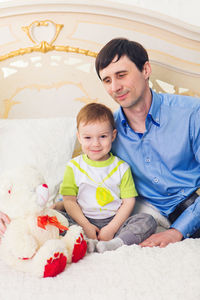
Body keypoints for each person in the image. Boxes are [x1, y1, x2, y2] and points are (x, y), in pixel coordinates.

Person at [95, 37, 200, 248]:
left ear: (145, 70)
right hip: (146, 218)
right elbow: (87, 173)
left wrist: (177, 231)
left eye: (121, 75)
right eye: (107, 80)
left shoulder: (191, 113)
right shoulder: (107, 131)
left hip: (193, 208)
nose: (115, 87)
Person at [57, 102, 156, 253]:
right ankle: (83, 240)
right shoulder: (73, 167)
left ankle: (116, 243)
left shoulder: (121, 168)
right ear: (79, 137)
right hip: (82, 219)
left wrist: (111, 229)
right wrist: (85, 226)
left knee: (148, 220)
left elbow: (129, 202)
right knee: (55, 217)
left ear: (113, 136)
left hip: (114, 221)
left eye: (102, 136)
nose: (96, 143)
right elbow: (69, 201)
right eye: (88, 137)